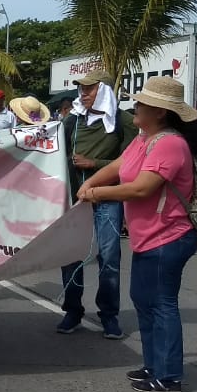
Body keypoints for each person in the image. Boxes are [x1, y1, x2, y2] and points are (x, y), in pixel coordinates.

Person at [76, 75, 197, 392]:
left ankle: (169, 376)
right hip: (148, 237)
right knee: (143, 300)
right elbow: (119, 167)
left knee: (162, 304)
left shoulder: (171, 144)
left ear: (161, 111)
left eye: (142, 104)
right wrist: (91, 182)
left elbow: (141, 188)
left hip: (169, 238)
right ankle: (154, 365)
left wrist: (99, 194)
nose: (135, 107)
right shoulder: (144, 139)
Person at [57, 70, 137, 339]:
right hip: (76, 199)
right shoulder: (73, 120)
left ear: (103, 90)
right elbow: (54, 149)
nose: (83, 94)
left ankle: (109, 315)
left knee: (110, 257)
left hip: (107, 198)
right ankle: (72, 310)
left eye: (89, 89)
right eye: (81, 89)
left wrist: (96, 165)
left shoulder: (124, 120)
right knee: (71, 255)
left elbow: (131, 161)